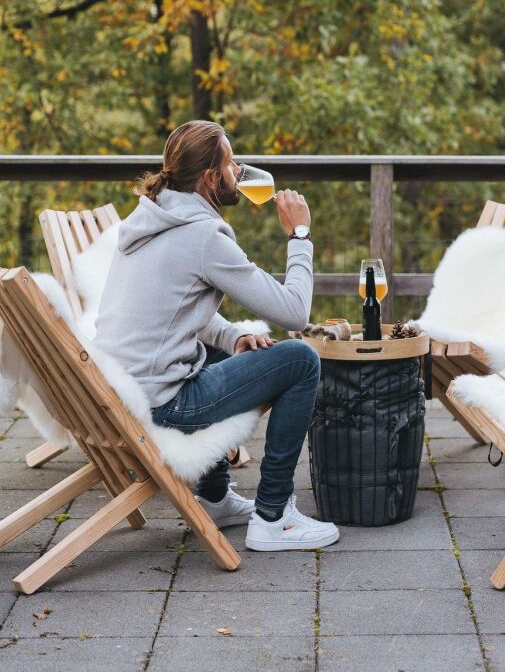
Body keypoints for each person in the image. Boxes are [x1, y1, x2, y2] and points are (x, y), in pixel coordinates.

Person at [94, 120, 339, 550]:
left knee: (227, 352)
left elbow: (170, 313)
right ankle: (274, 516)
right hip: (163, 407)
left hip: (123, 391)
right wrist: (300, 235)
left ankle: (213, 499)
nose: (239, 171)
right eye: (230, 163)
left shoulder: (151, 219)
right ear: (209, 178)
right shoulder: (203, 235)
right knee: (301, 360)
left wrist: (232, 338)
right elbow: (295, 313)